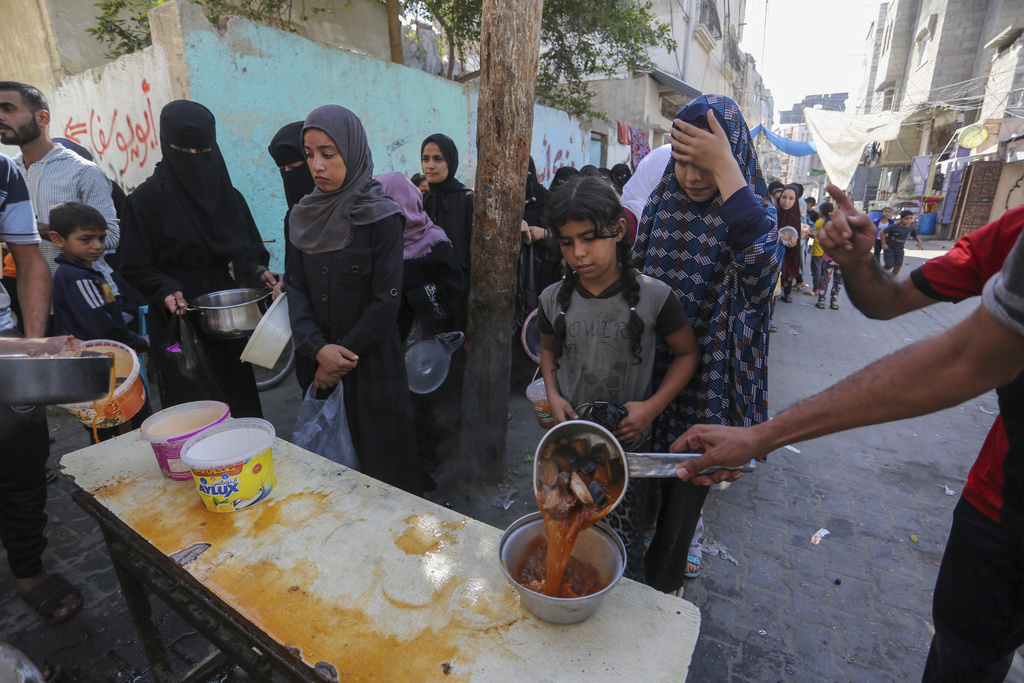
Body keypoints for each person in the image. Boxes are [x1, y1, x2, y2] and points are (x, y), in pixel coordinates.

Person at [672, 215, 1024, 683]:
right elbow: (889, 301)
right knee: (965, 656)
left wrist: (762, 435)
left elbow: (965, 360)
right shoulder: (1012, 232)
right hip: (1001, 507)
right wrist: (860, 263)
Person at [630, 94, 782, 593]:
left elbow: (762, 272)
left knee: (685, 497)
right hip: (652, 376)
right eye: (682, 162)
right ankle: (627, 575)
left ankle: (665, 589)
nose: (693, 177)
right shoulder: (661, 204)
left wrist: (727, 170)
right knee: (636, 493)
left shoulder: (749, 214)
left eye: (706, 164)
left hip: (709, 386)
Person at [537, 176, 699, 581]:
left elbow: (687, 353)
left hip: (627, 457)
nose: (578, 253)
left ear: (618, 231)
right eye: (567, 241)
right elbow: (547, 351)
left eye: (589, 238)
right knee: (566, 537)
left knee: (621, 553)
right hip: (566, 452)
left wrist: (651, 408)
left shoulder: (654, 297)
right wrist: (554, 395)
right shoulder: (552, 299)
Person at [286, 105, 421, 494]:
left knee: (383, 473)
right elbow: (295, 289)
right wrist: (316, 349)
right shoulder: (300, 217)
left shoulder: (382, 218)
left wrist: (337, 359)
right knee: (331, 477)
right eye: (309, 155)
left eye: (328, 153)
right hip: (316, 364)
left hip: (372, 367)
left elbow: (385, 301)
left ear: (352, 150)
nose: (317, 165)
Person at [119, 100, 272, 417]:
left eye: (202, 152)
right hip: (179, 316)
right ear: (165, 145)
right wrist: (164, 288)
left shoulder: (230, 197)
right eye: (182, 150)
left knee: (237, 400)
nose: (193, 160)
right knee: (193, 407)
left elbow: (248, 252)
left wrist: (260, 274)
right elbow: (134, 265)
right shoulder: (146, 201)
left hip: (226, 312)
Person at [0, 154, 82, 625]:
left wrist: (32, 347)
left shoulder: (4, 172)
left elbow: (29, 259)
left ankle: (28, 570)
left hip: (6, 343)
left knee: (22, 463)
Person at [0, 82, 121, 304]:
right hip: (34, 301)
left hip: (89, 298)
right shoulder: (8, 173)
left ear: (42, 118)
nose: (1, 117)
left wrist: (49, 231)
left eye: (8, 109)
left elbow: (111, 236)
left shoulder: (82, 171)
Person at [48, 202, 153, 442]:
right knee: (120, 430)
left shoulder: (86, 273)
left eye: (101, 238)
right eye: (86, 239)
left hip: (99, 370)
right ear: (58, 238)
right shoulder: (77, 278)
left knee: (117, 428)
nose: (98, 246)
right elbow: (101, 327)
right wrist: (141, 341)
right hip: (97, 372)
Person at [420, 132, 473, 330]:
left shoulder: (467, 199)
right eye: (425, 159)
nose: (430, 165)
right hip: (429, 291)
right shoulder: (423, 201)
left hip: (460, 291)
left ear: (450, 161)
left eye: (438, 159)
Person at [778, 185, 803, 303]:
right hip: (775, 249)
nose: (786, 201)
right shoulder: (775, 212)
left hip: (791, 249)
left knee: (789, 269)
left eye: (791, 198)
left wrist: (794, 243)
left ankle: (787, 293)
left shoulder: (796, 216)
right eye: (784, 197)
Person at [816, 202, 843, 310]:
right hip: (829, 256)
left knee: (838, 281)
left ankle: (834, 301)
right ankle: (821, 299)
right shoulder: (830, 223)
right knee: (825, 280)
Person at [881, 209, 924, 276]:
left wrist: (919, 241)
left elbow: (915, 235)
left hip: (900, 250)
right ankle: (878, 270)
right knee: (889, 266)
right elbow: (882, 233)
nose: (909, 220)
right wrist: (883, 244)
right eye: (906, 218)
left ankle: (892, 280)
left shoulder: (912, 228)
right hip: (889, 249)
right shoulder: (894, 227)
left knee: (898, 267)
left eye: (910, 218)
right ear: (901, 219)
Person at [806, 201, 833, 294]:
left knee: (816, 271)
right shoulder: (831, 223)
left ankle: (816, 289)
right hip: (826, 252)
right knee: (824, 272)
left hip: (817, 250)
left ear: (822, 211)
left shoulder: (819, 222)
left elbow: (813, 235)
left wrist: (807, 232)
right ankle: (822, 289)